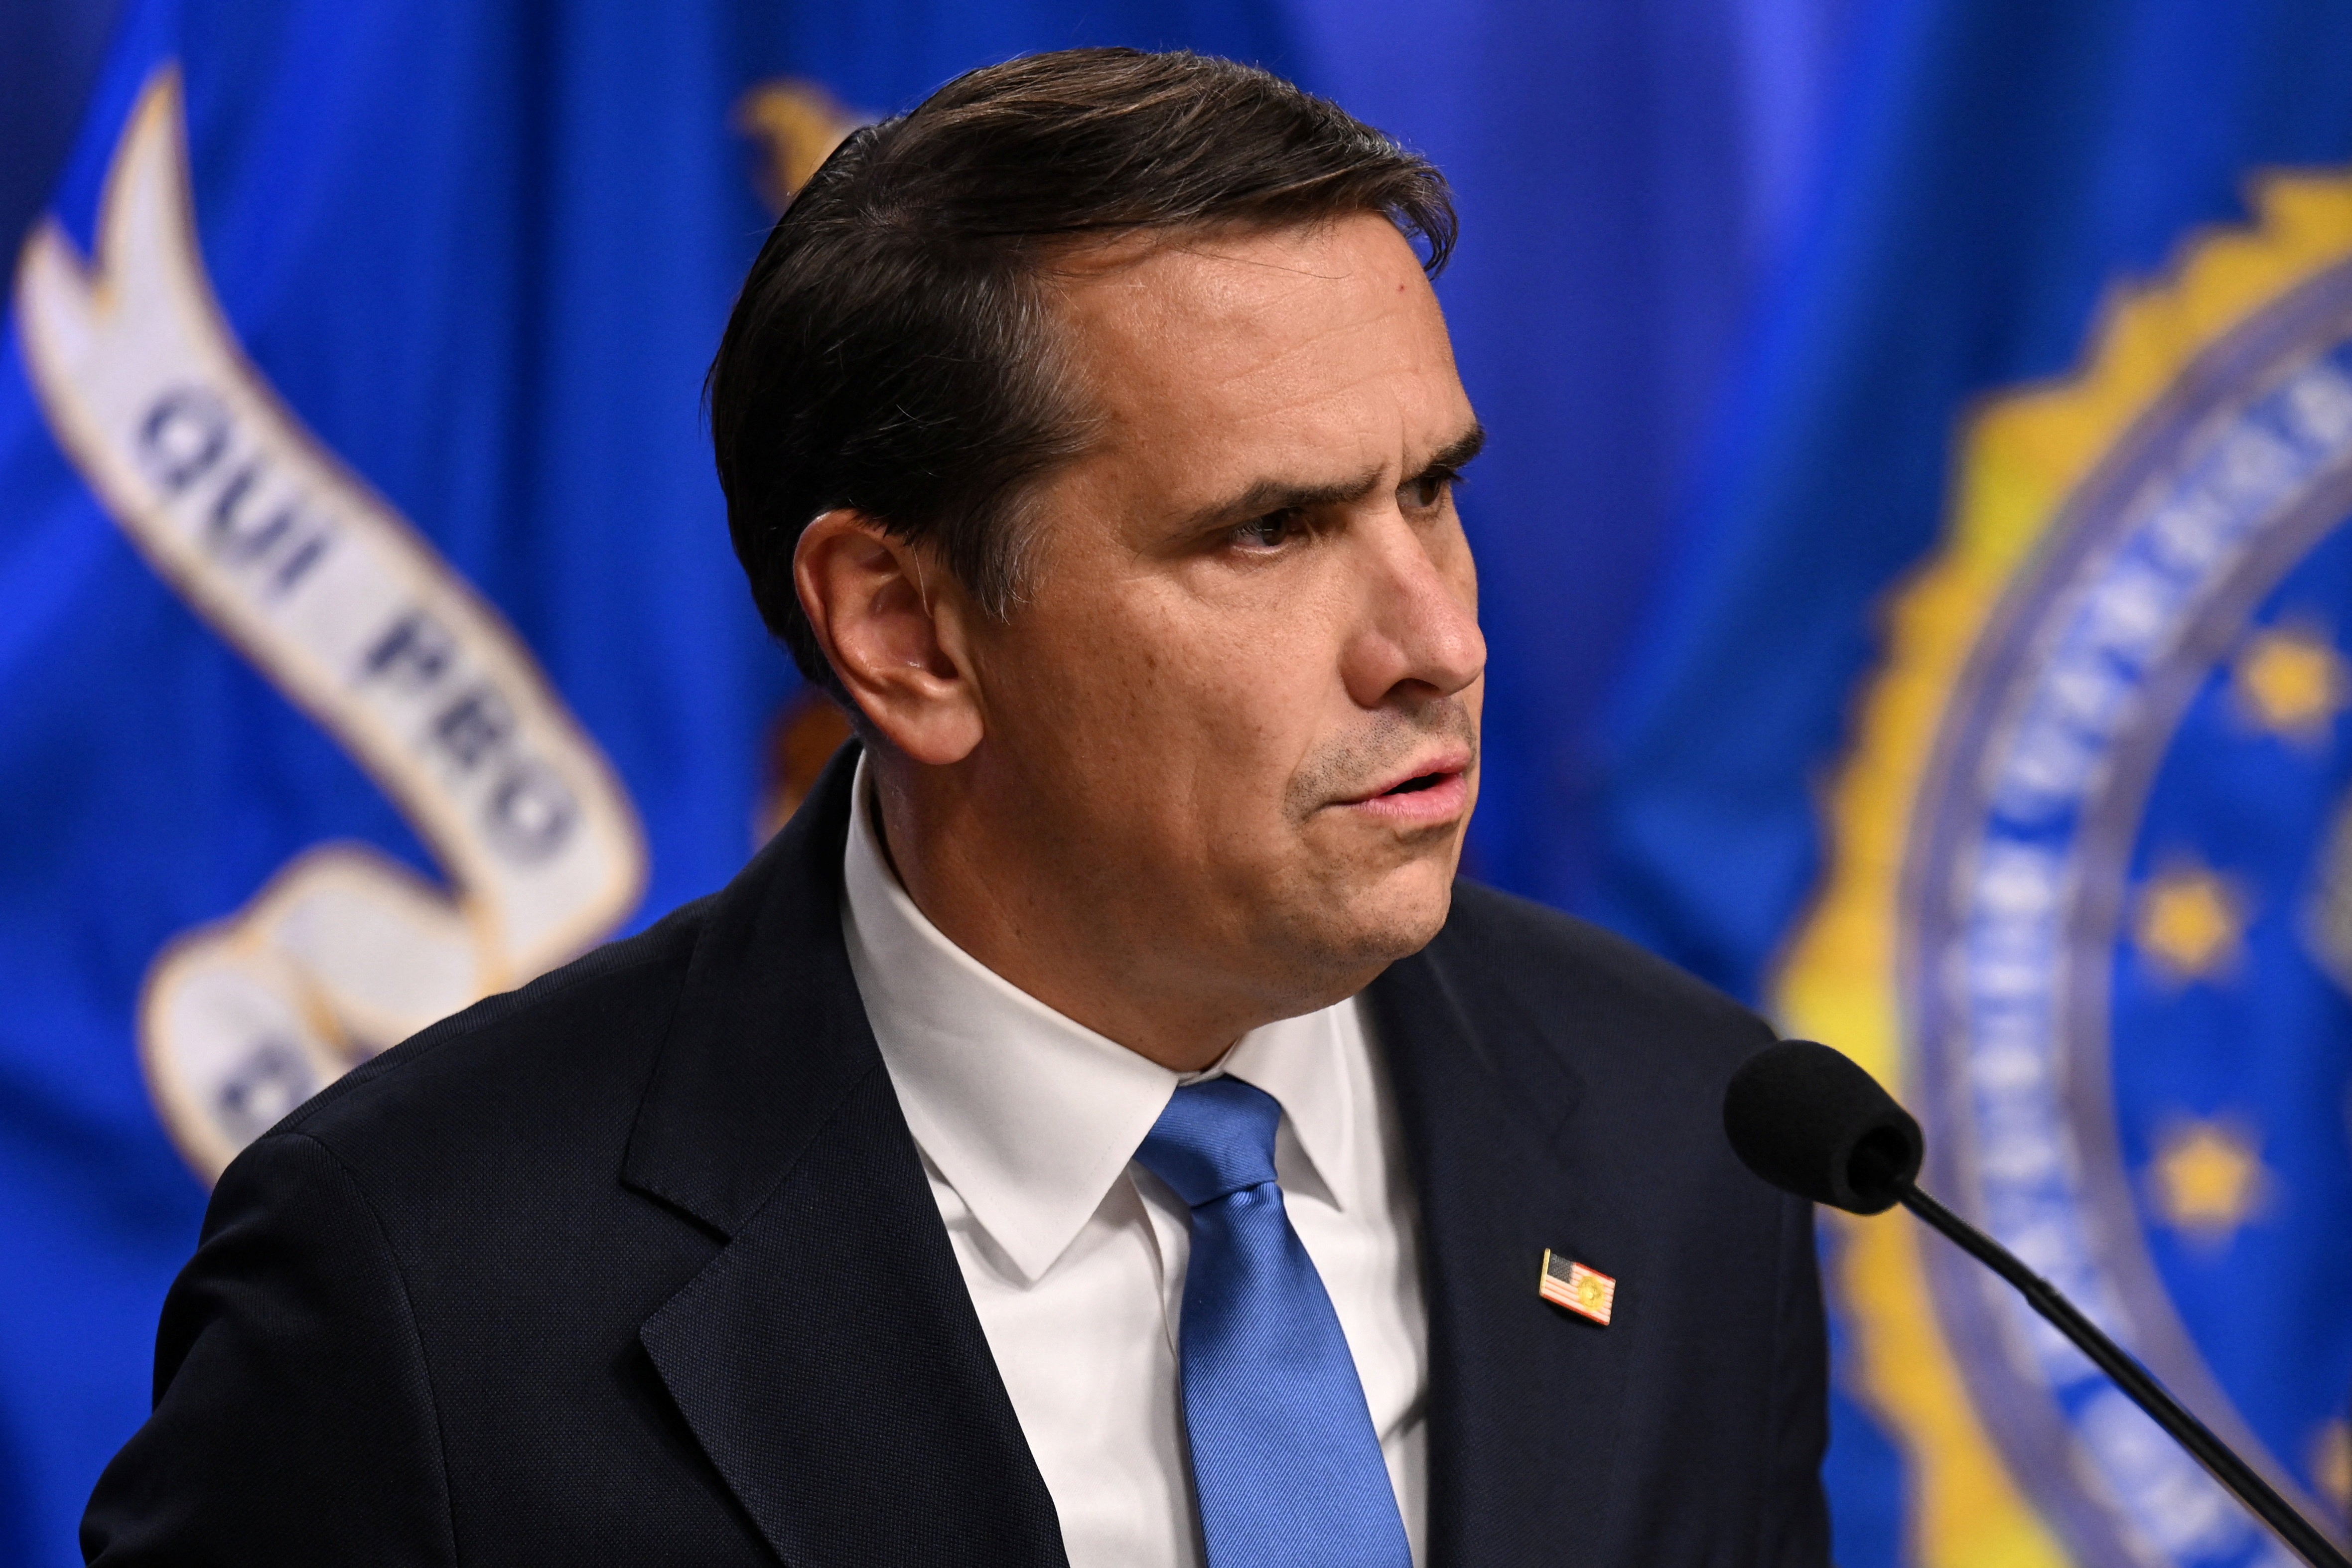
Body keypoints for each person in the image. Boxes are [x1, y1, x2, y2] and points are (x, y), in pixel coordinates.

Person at [82, 47, 1828, 1568]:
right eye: (1270, 530)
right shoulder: (428, 1286)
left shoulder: (1683, 1133)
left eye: (1430, 492)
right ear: (906, 632)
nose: (1437, 641)